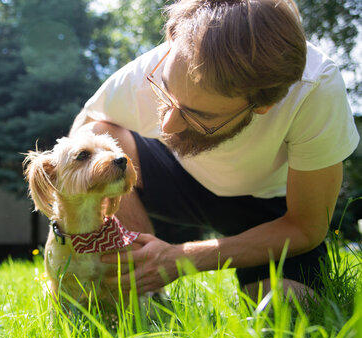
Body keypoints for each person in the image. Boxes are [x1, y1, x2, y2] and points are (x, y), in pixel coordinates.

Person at [69, 0, 360, 301]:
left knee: (288, 303)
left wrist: (183, 258)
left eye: (200, 116)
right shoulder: (153, 67)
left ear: (264, 105)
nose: (167, 125)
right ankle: (146, 295)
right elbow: (82, 134)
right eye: (166, 92)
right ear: (172, 39)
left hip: (267, 208)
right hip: (174, 176)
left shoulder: (315, 89)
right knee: (100, 135)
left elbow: (306, 226)